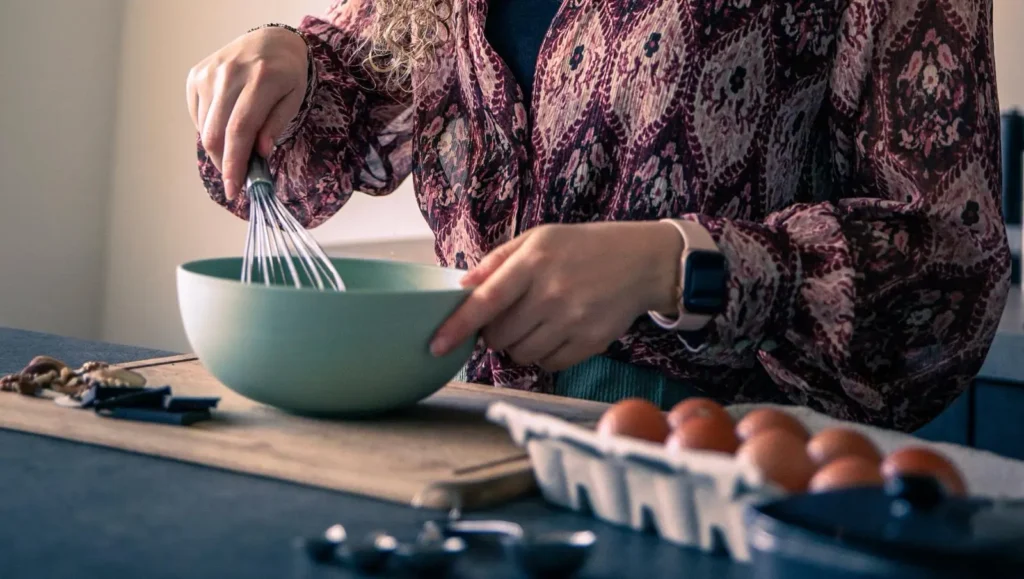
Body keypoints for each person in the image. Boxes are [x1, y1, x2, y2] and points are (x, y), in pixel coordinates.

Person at [187, 0, 1010, 432]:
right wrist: (283, 56)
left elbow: (951, 269)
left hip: (724, 484)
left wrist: (679, 263)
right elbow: (339, 97)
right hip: (470, 447)